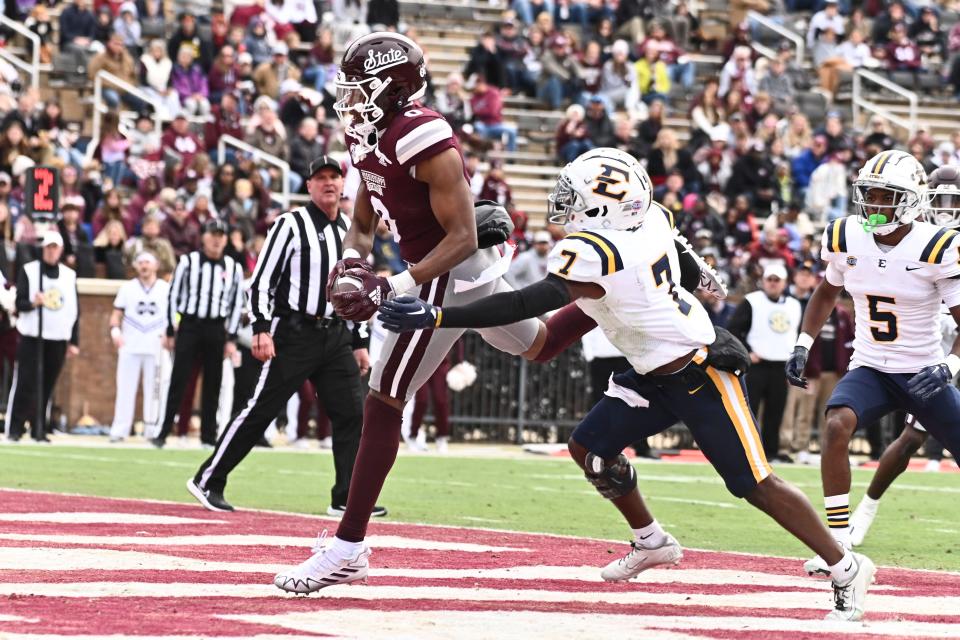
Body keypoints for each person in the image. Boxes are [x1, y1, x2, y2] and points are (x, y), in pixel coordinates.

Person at [380, 147, 875, 621]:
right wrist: (696, 269)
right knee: (591, 449)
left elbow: (525, 304)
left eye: (576, 197)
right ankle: (651, 540)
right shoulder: (651, 217)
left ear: (603, 207)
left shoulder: (593, 249)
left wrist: (439, 313)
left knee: (754, 484)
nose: (565, 206)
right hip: (651, 367)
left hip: (698, 371)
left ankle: (846, 566)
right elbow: (675, 251)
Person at [271, 33, 543, 594]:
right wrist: (351, 260)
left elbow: (464, 235)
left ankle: (348, 548)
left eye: (356, 88)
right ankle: (600, 298)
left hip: (447, 270)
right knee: (536, 342)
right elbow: (367, 213)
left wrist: (393, 283)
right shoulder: (364, 131)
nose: (346, 99)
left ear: (390, 87)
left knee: (383, 398)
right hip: (432, 267)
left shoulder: (422, 132)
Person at [786, 151, 960, 577]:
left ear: (912, 200)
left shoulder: (936, 246)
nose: (875, 204)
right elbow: (827, 293)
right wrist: (803, 343)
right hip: (871, 366)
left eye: (886, 196)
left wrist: (949, 366)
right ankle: (839, 542)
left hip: (922, 369)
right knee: (835, 424)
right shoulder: (847, 237)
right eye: (870, 194)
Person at [188, 157, 379, 517]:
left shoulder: (349, 232)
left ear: (343, 185)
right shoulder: (290, 225)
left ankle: (346, 497)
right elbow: (261, 281)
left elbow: (354, 291)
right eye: (320, 178)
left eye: (334, 178)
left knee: (353, 411)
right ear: (308, 186)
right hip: (295, 331)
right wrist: (260, 328)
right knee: (261, 410)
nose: (328, 184)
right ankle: (209, 479)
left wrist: (360, 342)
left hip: (335, 333)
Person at [847, 165, 960, 546]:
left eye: (955, 201)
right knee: (912, 436)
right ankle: (865, 509)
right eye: (941, 200)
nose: (948, 209)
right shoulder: (918, 238)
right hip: (934, 344)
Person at [152, 219, 244, 448]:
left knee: (213, 383)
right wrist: (171, 330)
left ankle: (208, 436)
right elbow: (174, 296)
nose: (217, 239)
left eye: (221, 235)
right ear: (203, 237)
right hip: (190, 326)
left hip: (215, 328)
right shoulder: (188, 262)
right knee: (178, 380)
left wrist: (231, 338)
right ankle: (163, 432)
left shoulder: (233, 268)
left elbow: (235, 305)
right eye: (213, 234)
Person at [5, 231, 80, 442]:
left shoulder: (68, 275)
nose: (51, 251)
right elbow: (19, 304)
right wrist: (33, 303)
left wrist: (74, 340)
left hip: (57, 337)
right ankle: (15, 428)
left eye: (55, 247)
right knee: (26, 382)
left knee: (47, 384)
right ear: (42, 249)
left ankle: (39, 428)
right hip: (32, 336)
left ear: (61, 250)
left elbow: (74, 310)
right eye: (48, 247)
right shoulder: (30, 271)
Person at [727, 263, 801, 462]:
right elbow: (733, 330)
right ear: (763, 281)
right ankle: (745, 451)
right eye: (769, 279)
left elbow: (798, 334)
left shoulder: (794, 305)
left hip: (781, 366)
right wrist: (746, 352)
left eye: (777, 280)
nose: (773, 283)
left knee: (776, 412)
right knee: (749, 410)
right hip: (757, 365)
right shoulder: (751, 301)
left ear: (784, 283)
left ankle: (771, 452)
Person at [108, 252, 170, 442]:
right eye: (141, 262)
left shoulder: (165, 289)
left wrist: (171, 334)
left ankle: (153, 430)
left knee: (156, 391)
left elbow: (176, 314)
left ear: (156, 265)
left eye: (148, 262)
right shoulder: (127, 288)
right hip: (130, 345)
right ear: (136, 266)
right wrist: (115, 332)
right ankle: (120, 430)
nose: (144, 266)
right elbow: (116, 314)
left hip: (157, 346)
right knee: (125, 388)